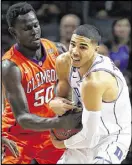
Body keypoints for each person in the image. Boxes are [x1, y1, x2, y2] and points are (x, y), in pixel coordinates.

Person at [2, 2, 81, 164]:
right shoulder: (10, 65)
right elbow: (23, 117)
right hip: (18, 136)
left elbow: (77, 88)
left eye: (36, 25)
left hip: (51, 132)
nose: (34, 32)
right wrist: (61, 122)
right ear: (13, 32)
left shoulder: (58, 50)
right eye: (27, 29)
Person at [49, 24, 132, 164]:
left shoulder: (94, 81)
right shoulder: (64, 62)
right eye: (72, 44)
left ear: (96, 50)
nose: (74, 51)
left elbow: (90, 138)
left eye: (82, 47)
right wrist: (53, 103)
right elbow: (62, 98)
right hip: (84, 130)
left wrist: (60, 144)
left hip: (111, 137)